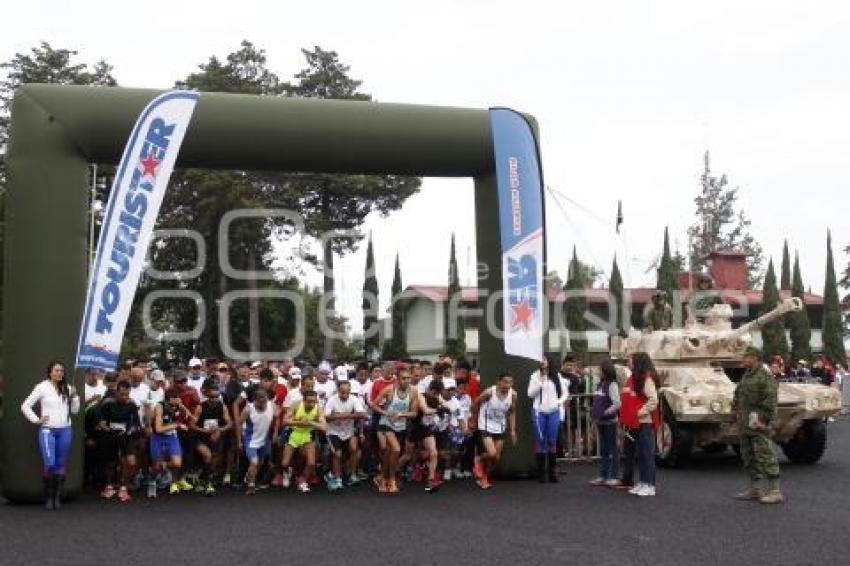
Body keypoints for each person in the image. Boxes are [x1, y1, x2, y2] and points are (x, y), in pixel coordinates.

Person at [20, 360, 80, 510]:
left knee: (60, 464)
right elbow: (25, 405)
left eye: (61, 371)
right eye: (56, 370)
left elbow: (75, 411)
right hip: (47, 430)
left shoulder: (68, 387)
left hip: (65, 429)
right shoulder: (41, 387)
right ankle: (48, 496)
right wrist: (36, 419)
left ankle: (56, 497)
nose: (59, 373)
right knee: (49, 462)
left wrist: (75, 396)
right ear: (50, 372)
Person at [733, 346, 783, 504]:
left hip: (757, 423)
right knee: (748, 456)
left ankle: (775, 490)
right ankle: (755, 488)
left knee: (765, 455)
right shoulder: (747, 375)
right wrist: (735, 410)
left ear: (755, 358)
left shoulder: (764, 376)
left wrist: (764, 421)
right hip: (745, 423)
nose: (743, 359)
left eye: (746, 356)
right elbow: (739, 393)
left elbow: (770, 400)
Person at [372, 367, 420, 494]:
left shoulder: (413, 392)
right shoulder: (389, 390)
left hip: (400, 426)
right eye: (403, 378)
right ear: (397, 379)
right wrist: (386, 413)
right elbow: (373, 405)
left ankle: (382, 477)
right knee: (397, 449)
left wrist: (400, 414)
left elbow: (414, 413)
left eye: (408, 378)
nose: (407, 381)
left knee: (389, 453)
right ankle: (391, 480)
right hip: (386, 424)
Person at [618, 352, 659, 497]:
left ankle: (649, 484)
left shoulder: (646, 379)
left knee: (647, 454)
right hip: (634, 423)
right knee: (641, 455)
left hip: (643, 422)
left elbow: (653, 400)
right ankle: (643, 481)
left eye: (631, 360)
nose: (628, 362)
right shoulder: (633, 378)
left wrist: (640, 412)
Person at [97, 380, 143, 502]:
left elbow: (136, 423)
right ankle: (109, 486)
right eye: (122, 394)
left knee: (131, 462)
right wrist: (108, 429)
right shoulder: (108, 403)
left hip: (126, 436)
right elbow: (101, 422)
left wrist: (130, 431)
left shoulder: (131, 405)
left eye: (127, 394)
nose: (124, 397)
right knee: (110, 462)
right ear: (116, 392)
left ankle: (123, 486)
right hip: (110, 435)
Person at [471, 372, 517, 490]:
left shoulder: (513, 395)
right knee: (491, 453)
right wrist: (473, 420)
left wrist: (512, 430)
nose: (508, 385)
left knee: (496, 458)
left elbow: (512, 411)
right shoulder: (489, 392)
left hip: (500, 426)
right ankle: (479, 459)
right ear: (499, 382)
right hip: (485, 424)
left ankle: (484, 477)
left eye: (510, 382)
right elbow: (475, 404)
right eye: (505, 382)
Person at [527, 358, 568, 483]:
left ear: (549, 361)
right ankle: (541, 474)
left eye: (544, 359)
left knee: (552, 441)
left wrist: (558, 403)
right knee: (540, 441)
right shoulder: (535, 376)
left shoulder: (557, 376)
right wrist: (540, 382)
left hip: (554, 412)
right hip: (539, 413)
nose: (543, 362)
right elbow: (530, 394)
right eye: (541, 360)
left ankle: (552, 473)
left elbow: (565, 393)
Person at [149, 386, 194, 497]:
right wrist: (177, 425)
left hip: (171, 436)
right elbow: (158, 428)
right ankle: (152, 481)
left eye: (179, 398)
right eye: (176, 398)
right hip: (158, 436)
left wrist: (183, 408)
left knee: (177, 463)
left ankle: (167, 470)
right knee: (156, 467)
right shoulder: (160, 407)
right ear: (169, 399)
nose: (179, 399)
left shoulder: (177, 405)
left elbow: (189, 416)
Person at [323, 381, 367, 491]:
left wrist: (340, 415)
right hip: (333, 432)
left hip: (349, 431)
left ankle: (351, 475)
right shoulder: (332, 400)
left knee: (354, 449)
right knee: (337, 454)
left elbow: (362, 414)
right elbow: (326, 417)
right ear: (338, 391)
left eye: (347, 393)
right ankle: (337, 479)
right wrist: (350, 415)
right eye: (343, 393)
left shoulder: (354, 399)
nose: (345, 395)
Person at [192, 378, 233, 495]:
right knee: (207, 455)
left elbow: (230, 423)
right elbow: (192, 425)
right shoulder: (200, 407)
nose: (214, 400)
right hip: (200, 437)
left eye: (216, 397)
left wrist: (220, 430)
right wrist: (204, 431)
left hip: (215, 437)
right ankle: (207, 483)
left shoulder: (222, 406)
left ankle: (203, 480)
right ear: (207, 396)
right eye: (211, 397)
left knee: (214, 460)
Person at [281, 390, 327, 493]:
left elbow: (324, 427)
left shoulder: (318, 408)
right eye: (309, 401)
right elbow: (284, 421)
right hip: (294, 434)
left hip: (307, 435)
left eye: (314, 401)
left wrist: (310, 422)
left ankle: (302, 480)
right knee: (284, 463)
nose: (311, 404)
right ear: (304, 400)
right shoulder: (296, 405)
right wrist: (299, 422)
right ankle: (288, 471)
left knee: (311, 463)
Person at [236, 387, 278, 495]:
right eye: (260, 402)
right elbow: (239, 424)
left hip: (264, 440)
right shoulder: (248, 409)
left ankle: (249, 476)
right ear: (255, 399)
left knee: (260, 463)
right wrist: (239, 441)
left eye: (265, 401)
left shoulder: (271, 405)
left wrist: (275, 433)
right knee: (254, 462)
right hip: (250, 440)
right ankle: (251, 485)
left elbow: (277, 417)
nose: (263, 404)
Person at [589, 360, 621, 487]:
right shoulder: (600, 384)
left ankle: (614, 475)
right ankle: (604, 475)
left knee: (612, 449)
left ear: (605, 370)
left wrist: (605, 413)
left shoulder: (612, 385)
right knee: (604, 450)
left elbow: (617, 403)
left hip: (609, 422)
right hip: (600, 422)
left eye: (599, 369)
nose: (597, 371)